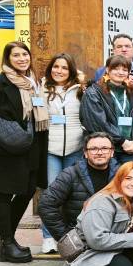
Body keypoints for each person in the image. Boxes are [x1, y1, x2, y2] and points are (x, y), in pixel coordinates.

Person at [0, 41, 49, 263]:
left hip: (31, 147)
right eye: (16, 55)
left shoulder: (33, 82)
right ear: (7, 59)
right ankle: (8, 243)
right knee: (4, 193)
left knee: (27, 190)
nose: (21, 59)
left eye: (24, 54)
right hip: (6, 148)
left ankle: (6, 240)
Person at [40, 52, 84, 253]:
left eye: (64, 67)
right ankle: (48, 236)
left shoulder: (80, 90)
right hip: (51, 149)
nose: (59, 71)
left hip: (75, 148)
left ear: (71, 70)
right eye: (56, 67)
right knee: (51, 193)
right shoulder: (42, 89)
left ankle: (71, 235)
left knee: (73, 194)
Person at [39, 133, 118, 245]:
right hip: (82, 239)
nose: (99, 152)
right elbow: (46, 205)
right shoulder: (70, 174)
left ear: (112, 152)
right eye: (93, 149)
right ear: (85, 153)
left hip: (113, 238)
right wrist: (66, 237)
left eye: (105, 148)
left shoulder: (122, 174)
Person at [80, 55, 133, 164]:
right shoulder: (93, 93)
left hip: (129, 149)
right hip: (105, 149)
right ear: (107, 70)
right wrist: (122, 141)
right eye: (116, 69)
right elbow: (98, 123)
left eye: (124, 70)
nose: (120, 72)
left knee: (128, 175)